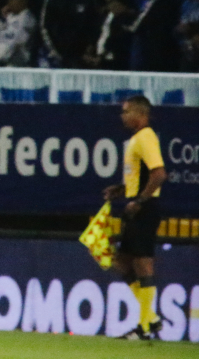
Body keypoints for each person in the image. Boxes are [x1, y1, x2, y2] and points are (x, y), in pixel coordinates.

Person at [103, 95, 166, 340]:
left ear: (140, 113)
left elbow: (159, 174)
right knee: (122, 261)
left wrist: (140, 201)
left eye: (126, 111)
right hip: (137, 206)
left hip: (144, 209)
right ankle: (150, 318)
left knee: (142, 263)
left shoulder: (146, 137)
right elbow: (139, 176)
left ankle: (146, 325)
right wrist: (122, 189)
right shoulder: (136, 140)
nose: (123, 116)